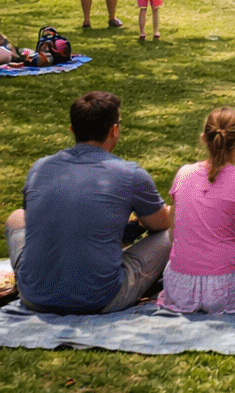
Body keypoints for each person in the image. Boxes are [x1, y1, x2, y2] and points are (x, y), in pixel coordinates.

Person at [3, 91, 171, 313]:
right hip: (100, 299)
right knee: (173, 232)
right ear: (114, 130)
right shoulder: (130, 175)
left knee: (16, 217)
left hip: (35, 296)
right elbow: (160, 224)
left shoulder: (40, 168)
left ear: (73, 129)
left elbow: (39, 220)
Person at [157, 107, 235, 314]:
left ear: (203, 138)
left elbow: (174, 234)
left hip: (180, 289)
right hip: (226, 290)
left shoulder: (183, 174)